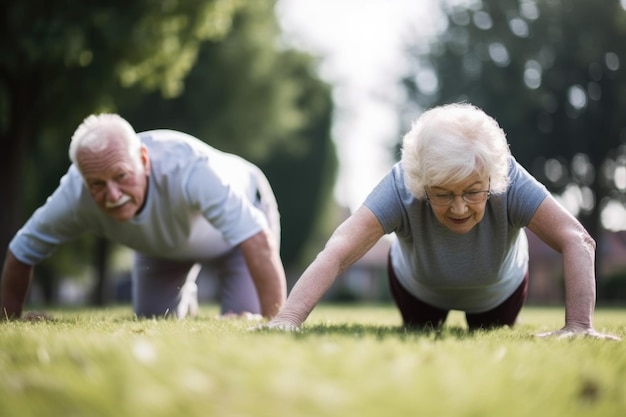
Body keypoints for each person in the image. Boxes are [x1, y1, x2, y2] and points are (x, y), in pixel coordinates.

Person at [264, 103, 620, 340]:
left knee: (489, 338)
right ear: (421, 183)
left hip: (499, 290)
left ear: (491, 179)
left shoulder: (508, 176)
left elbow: (577, 239)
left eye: (473, 192)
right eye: (443, 194)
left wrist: (578, 326)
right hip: (418, 286)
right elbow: (340, 250)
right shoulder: (402, 182)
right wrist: (288, 319)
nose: (460, 208)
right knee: (420, 334)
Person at [1, 114, 287, 320]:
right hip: (161, 249)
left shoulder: (190, 169)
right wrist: (9, 322)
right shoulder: (74, 194)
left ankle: (205, 299)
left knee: (243, 317)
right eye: (97, 185)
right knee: (153, 320)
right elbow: (22, 250)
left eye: (121, 176)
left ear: (144, 161)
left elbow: (257, 238)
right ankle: (187, 298)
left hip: (240, 241)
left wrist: (277, 324)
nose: (113, 196)